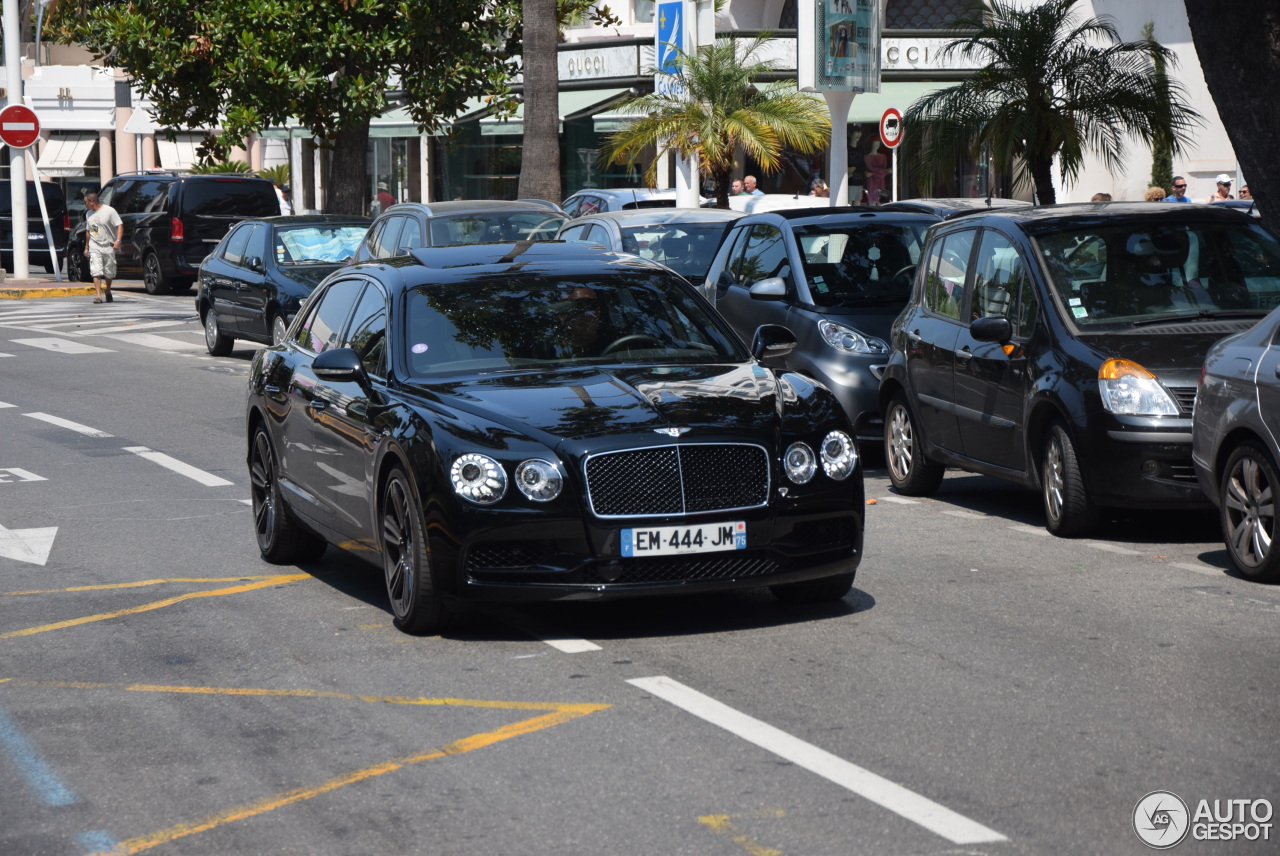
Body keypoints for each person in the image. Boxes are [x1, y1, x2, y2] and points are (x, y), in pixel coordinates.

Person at [83, 192, 122, 304]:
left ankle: (108, 290)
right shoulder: (88, 213)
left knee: (109, 272)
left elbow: (119, 225)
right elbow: (88, 230)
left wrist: (117, 241)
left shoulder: (109, 211)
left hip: (108, 245)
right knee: (96, 270)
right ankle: (98, 296)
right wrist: (87, 247)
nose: (84, 204)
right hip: (95, 246)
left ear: (92, 201)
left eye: (85, 202)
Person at [864, 139, 889, 206]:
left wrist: (883, 172)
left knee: (881, 203)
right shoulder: (867, 157)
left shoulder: (883, 157)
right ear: (871, 144)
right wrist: (885, 171)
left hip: (881, 181)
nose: (876, 146)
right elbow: (871, 168)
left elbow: (884, 168)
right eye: (875, 144)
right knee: (872, 202)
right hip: (872, 182)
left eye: (878, 144)